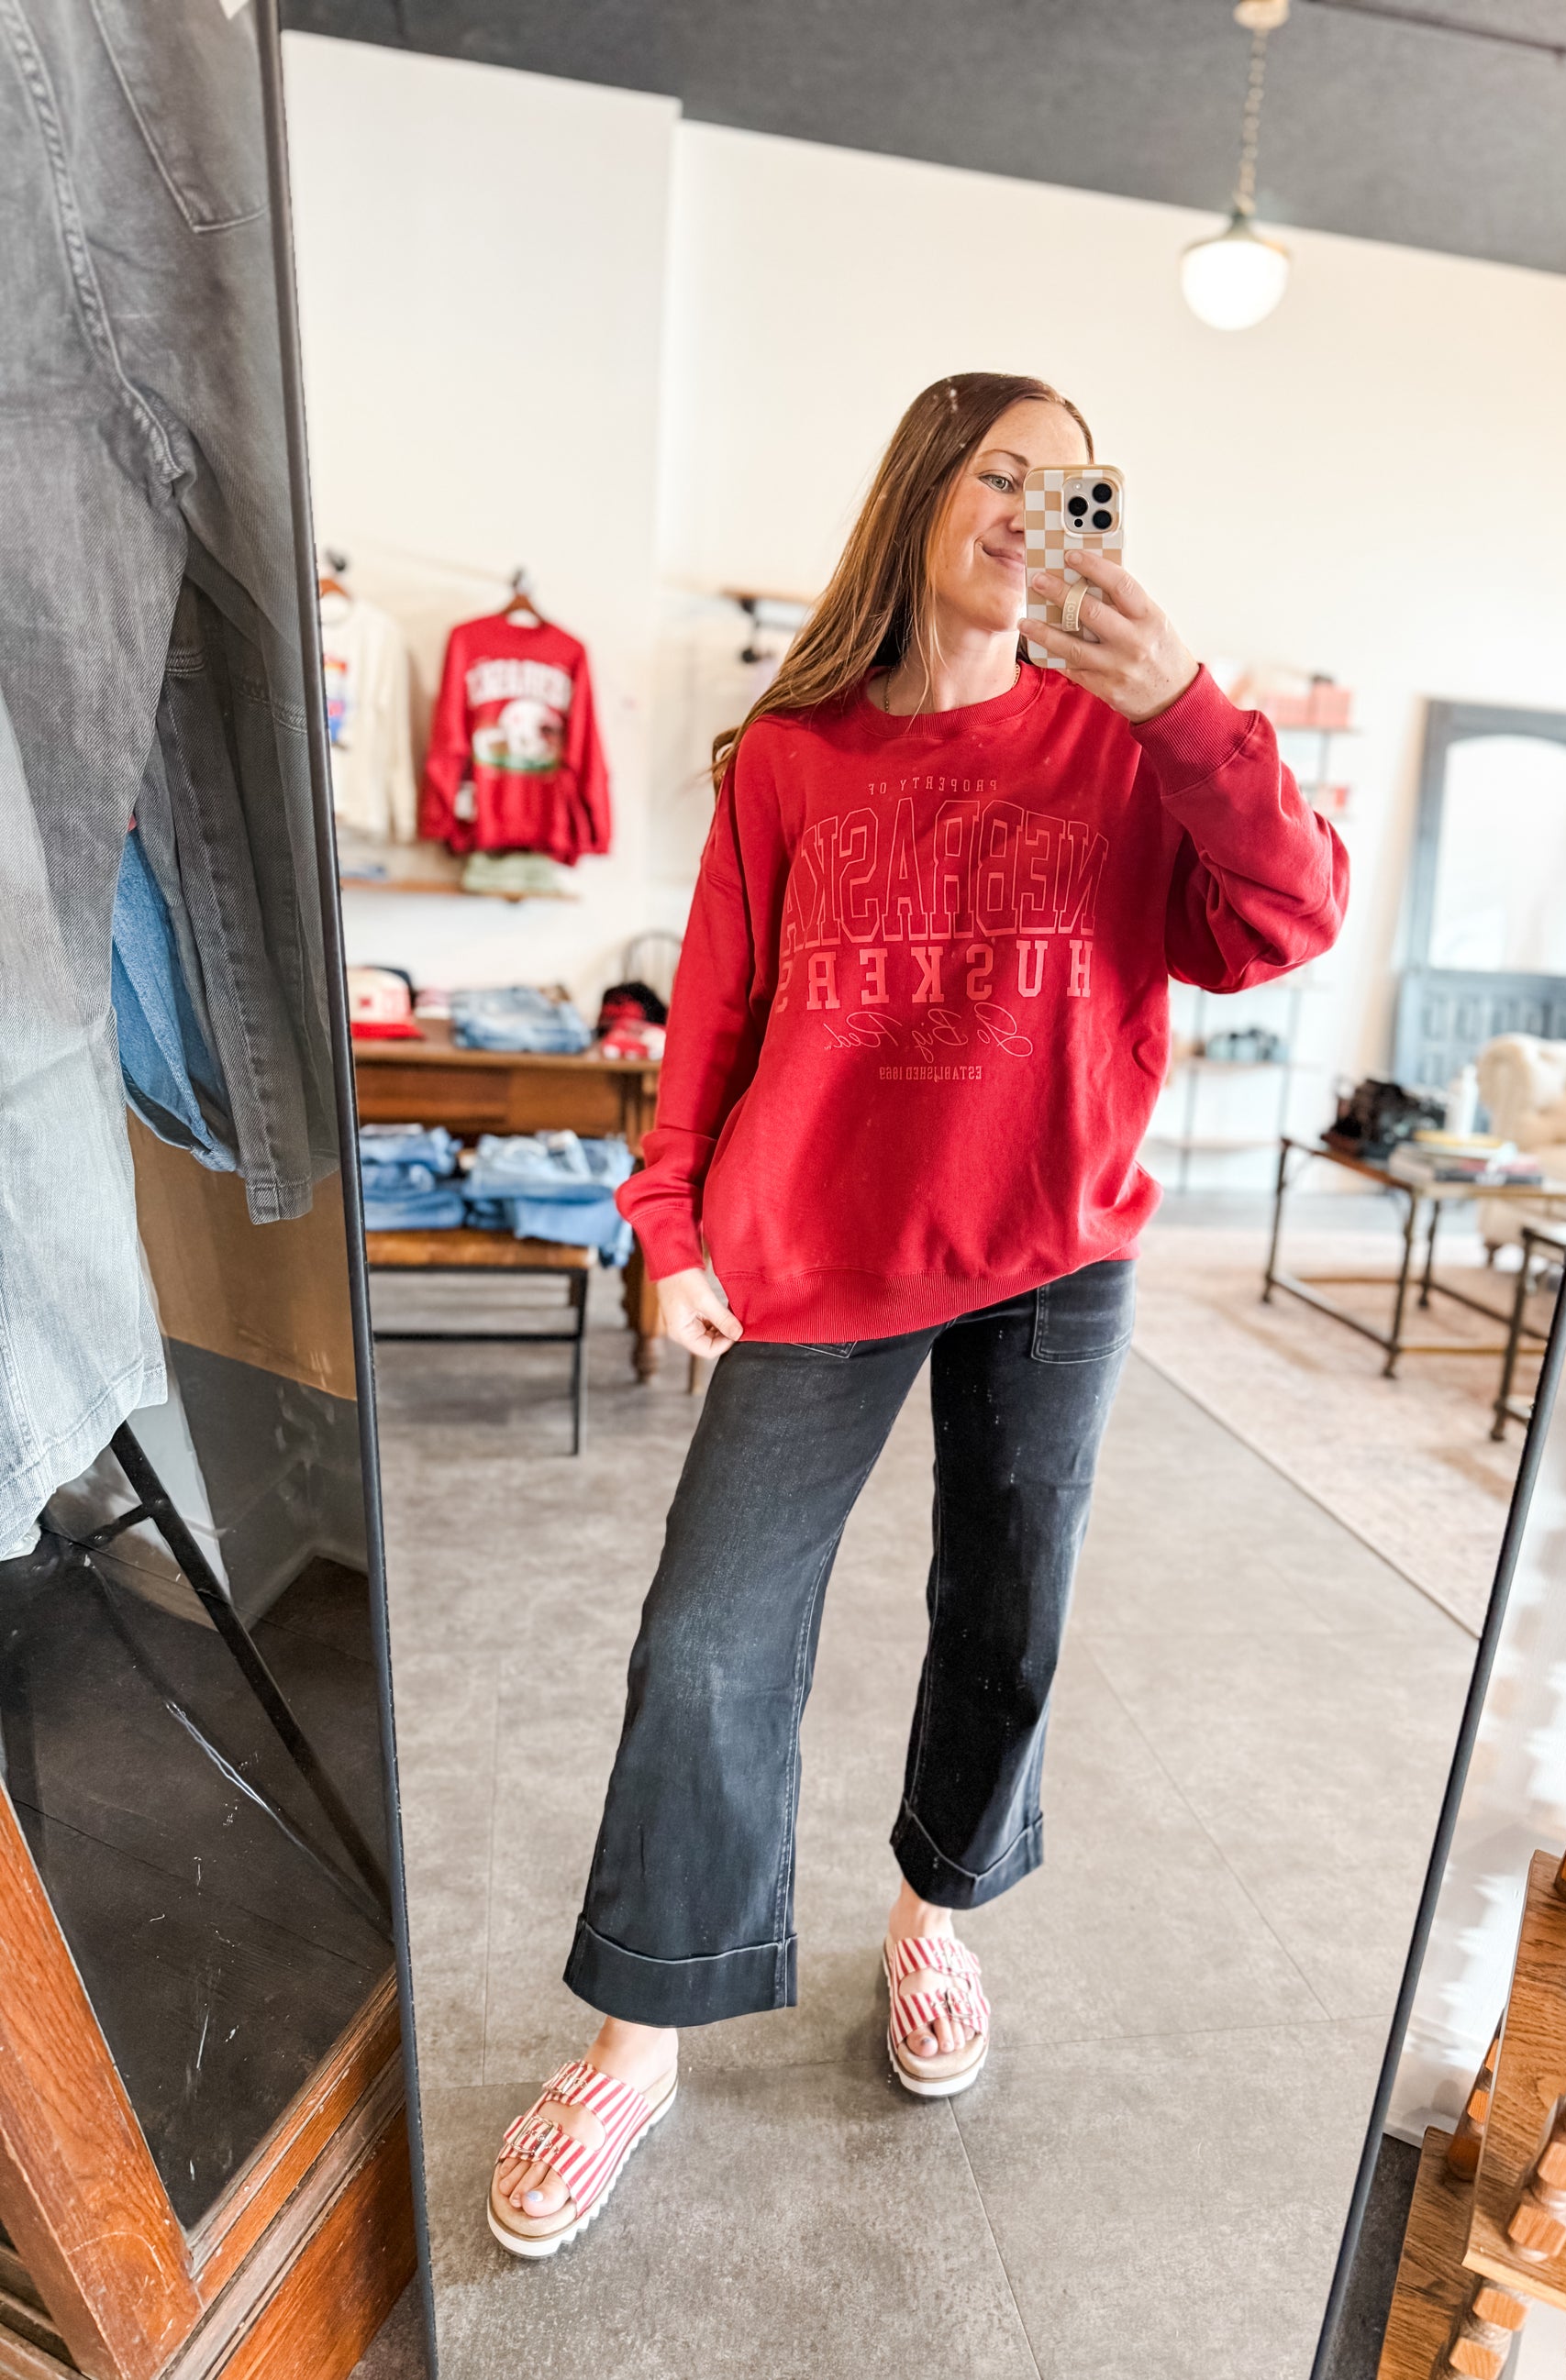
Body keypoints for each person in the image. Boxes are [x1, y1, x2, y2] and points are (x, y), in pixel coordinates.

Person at [488, 371, 1348, 2255]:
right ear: (923, 495)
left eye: (1075, 488)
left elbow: (1287, 920)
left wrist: (1185, 707)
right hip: (814, 1254)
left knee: (1007, 1607)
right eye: (1001, 475)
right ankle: (638, 2036)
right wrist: (666, 1218)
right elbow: (712, 1011)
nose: (1035, 511)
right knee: (706, 1637)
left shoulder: (1132, 743)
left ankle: (931, 1919)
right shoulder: (790, 756)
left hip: (1050, 1251)